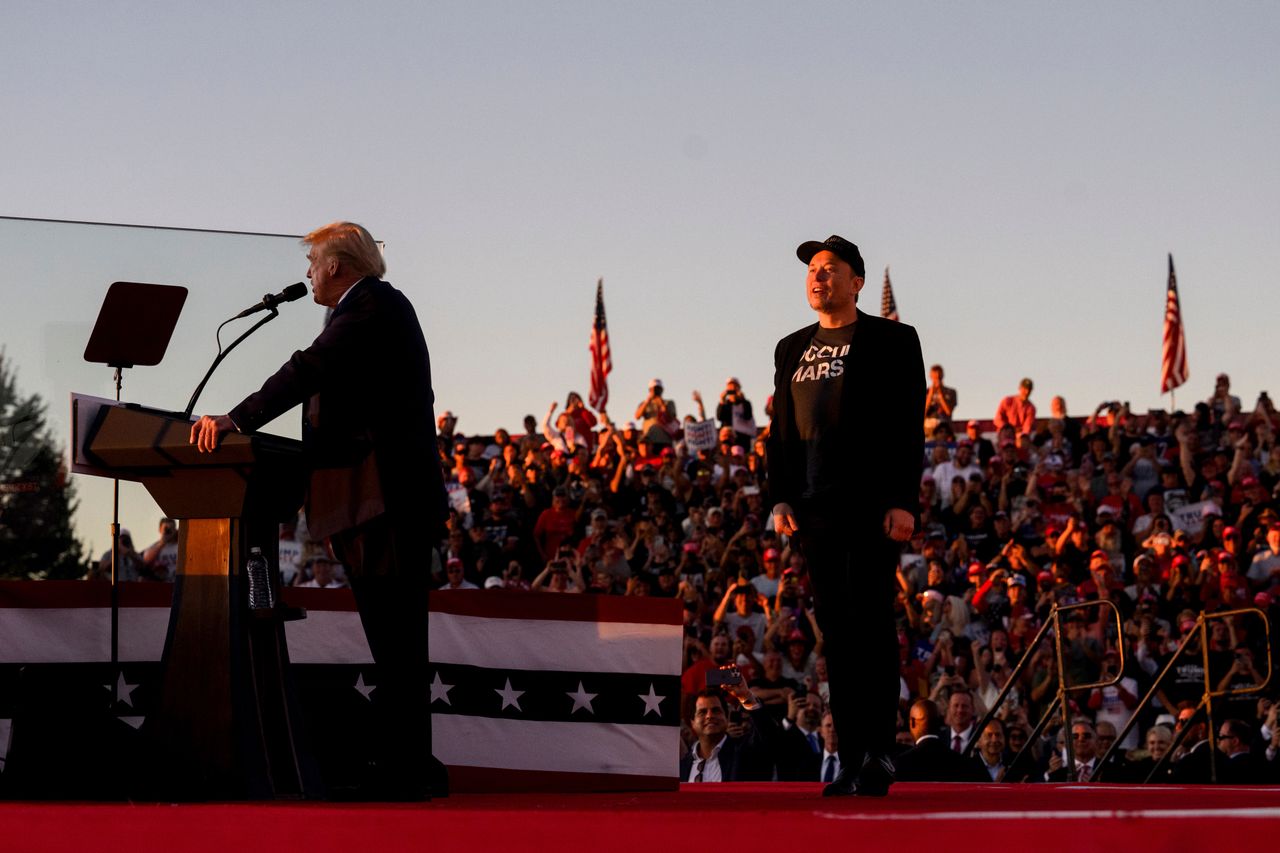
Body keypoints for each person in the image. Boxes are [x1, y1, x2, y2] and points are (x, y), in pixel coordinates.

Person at [190, 221, 448, 801]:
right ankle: (414, 765)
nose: (307, 273)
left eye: (313, 263)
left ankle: (406, 770)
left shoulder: (373, 306)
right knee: (396, 641)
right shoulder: (363, 311)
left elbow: (308, 369)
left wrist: (238, 419)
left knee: (397, 641)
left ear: (337, 265)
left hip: (386, 502)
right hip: (373, 500)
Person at [768, 234, 925, 797]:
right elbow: (780, 429)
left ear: (856, 281)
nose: (818, 276)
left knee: (871, 627)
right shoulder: (791, 347)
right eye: (812, 269)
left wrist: (905, 499)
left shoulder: (893, 339)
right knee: (837, 636)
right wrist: (778, 496)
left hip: (872, 505)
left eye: (830, 268)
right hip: (813, 508)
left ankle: (880, 754)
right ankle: (853, 756)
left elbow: (910, 423)